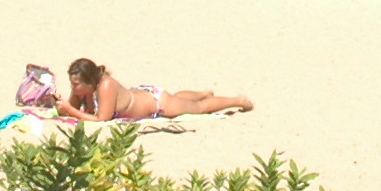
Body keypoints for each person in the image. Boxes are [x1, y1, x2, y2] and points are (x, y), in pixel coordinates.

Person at [57, 57, 253, 122]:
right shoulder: (85, 86)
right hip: (144, 95)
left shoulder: (106, 85)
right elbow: (70, 106)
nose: (74, 87)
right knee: (178, 98)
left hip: (156, 103)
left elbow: (102, 119)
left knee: (199, 108)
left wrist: (70, 110)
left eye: (76, 84)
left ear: (89, 80)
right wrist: (64, 103)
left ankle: (236, 100)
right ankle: (202, 93)